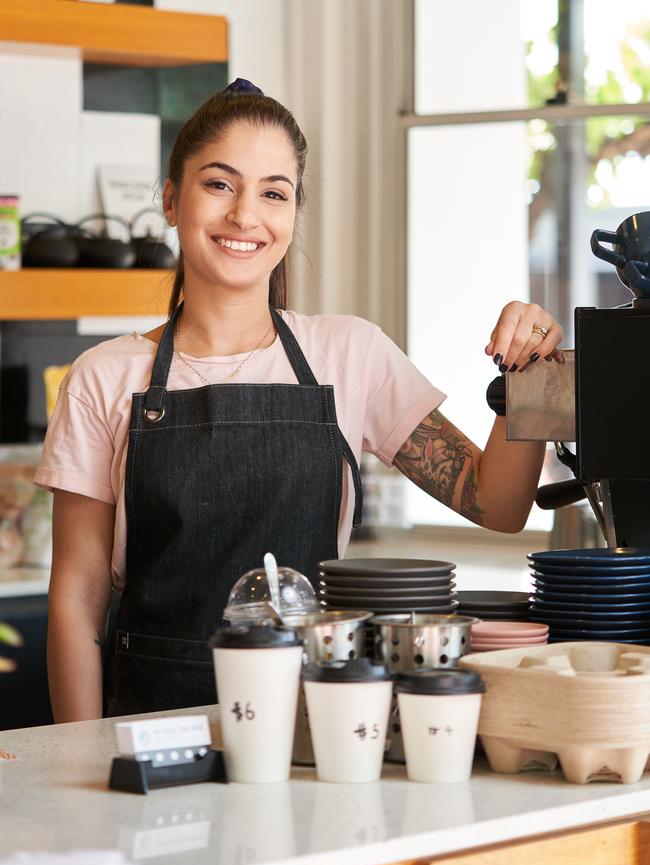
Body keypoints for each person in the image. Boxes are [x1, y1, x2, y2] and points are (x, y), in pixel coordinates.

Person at [37, 79, 563, 722]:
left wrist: (528, 376)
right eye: (219, 184)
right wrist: (79, 764)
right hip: (149, 732)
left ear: (293, 214)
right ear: (172, 200)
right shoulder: (104, 376)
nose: (245, 216)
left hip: (313, 730)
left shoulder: (350, 354)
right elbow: (77, 597)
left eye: (273, 193)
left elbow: (498, 503)